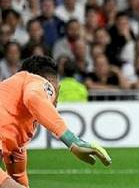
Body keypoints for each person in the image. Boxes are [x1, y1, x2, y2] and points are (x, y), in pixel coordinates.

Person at [0, 56, 111, 188]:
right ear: (51, 83)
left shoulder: (15, 119)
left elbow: (18, 174)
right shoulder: (36, 80)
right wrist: (72, 140)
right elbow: (33, 97)